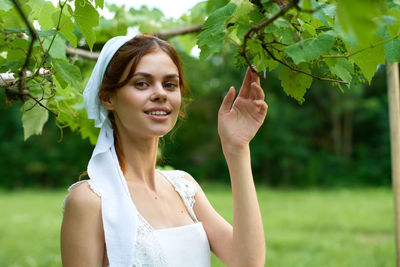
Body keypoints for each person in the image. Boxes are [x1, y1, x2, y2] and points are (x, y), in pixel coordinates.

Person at [61, 34, 267, 267]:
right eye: (141, 83)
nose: (160, 93)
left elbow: (248, 263)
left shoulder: (185, 187)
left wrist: (237, 148)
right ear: (108, 97)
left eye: (170, 84)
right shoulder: (90, 201)